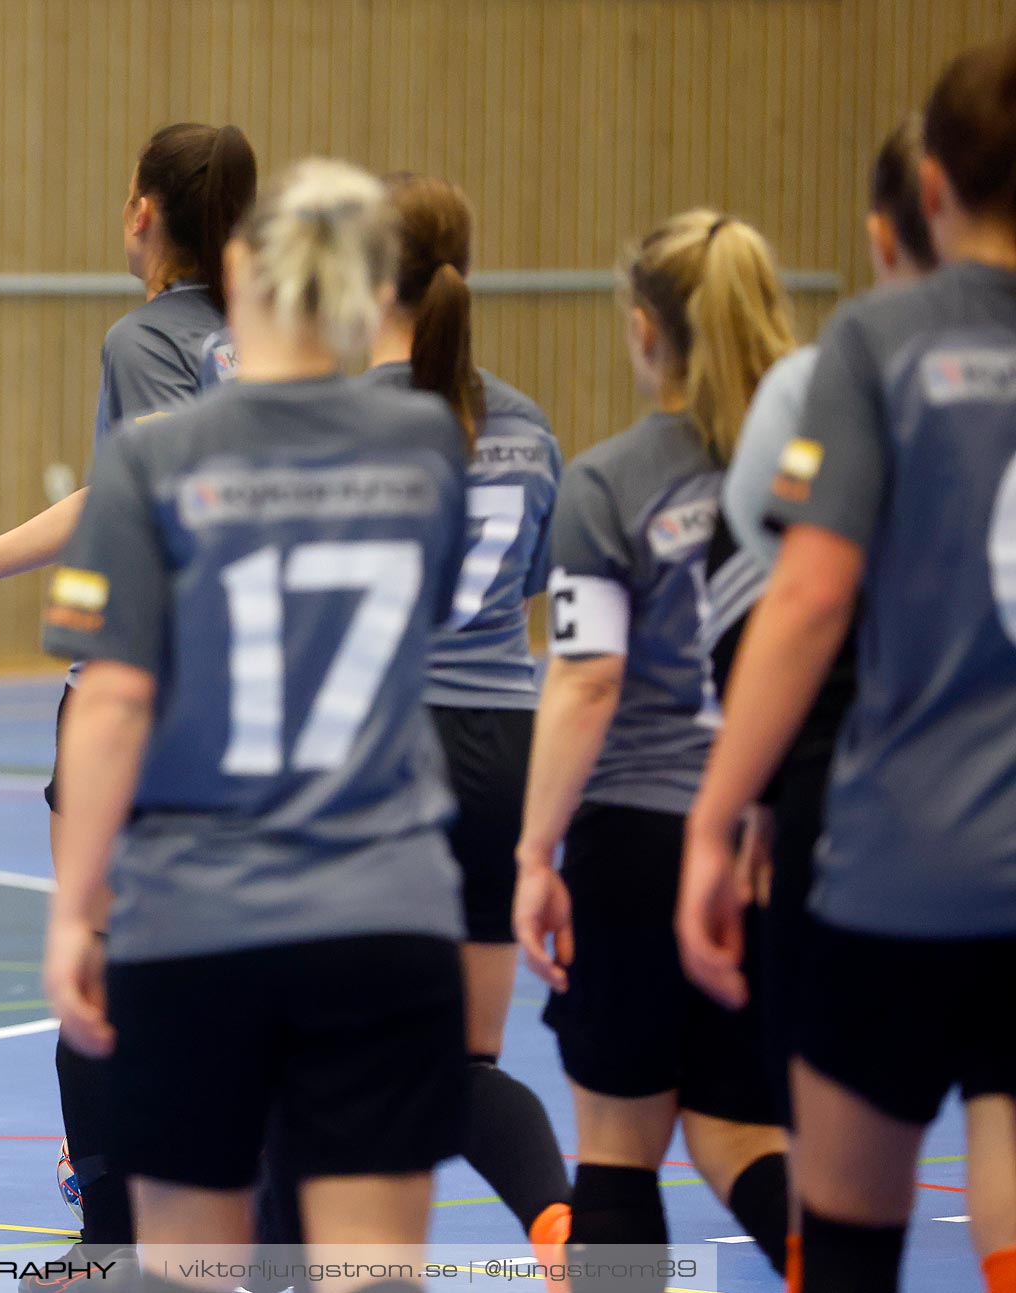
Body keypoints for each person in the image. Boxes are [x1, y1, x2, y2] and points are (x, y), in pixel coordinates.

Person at [43, 157, 469, 1293]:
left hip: (195, 919)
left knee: (190, 1268)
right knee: (371, 1269)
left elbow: (114, 701)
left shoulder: (152, 460)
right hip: (386, 911)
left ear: (235, 268)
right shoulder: (430, 447)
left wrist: (79, 912)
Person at [679, 33, 1016, 1292]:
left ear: (930, 189)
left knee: (854, 1223)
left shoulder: (879, 348)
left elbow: (807, 598)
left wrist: (719, 818)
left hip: (903, 866)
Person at [0, 121, 257, 1258]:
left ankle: (110, 1243)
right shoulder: (285, 341)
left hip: (148, 695)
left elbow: (143, 512)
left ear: (140, 211)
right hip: (262, 705)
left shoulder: (144, 339)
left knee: (97, 960)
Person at [511, 209, 797, 1290]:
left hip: (636, 843)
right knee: (743, 1135)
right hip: (769, 839)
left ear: (643, 331)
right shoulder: (810, 469)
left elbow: (589, 677)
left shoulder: (612, 481)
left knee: (617, 1157)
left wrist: (538, 854)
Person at [688, 113, 938, 1291]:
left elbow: (796, 598)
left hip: (872, 814)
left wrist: (727, 813)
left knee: (844, 1196)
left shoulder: (850, 364)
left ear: (895, 224)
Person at [363, 175, 572, 1267]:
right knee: (469, 1062)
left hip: (382, 749)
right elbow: (536, 580)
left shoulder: (340, 421)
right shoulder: (529, 427)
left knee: (320, 1054)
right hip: (503, 750)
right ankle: (561, 1224)